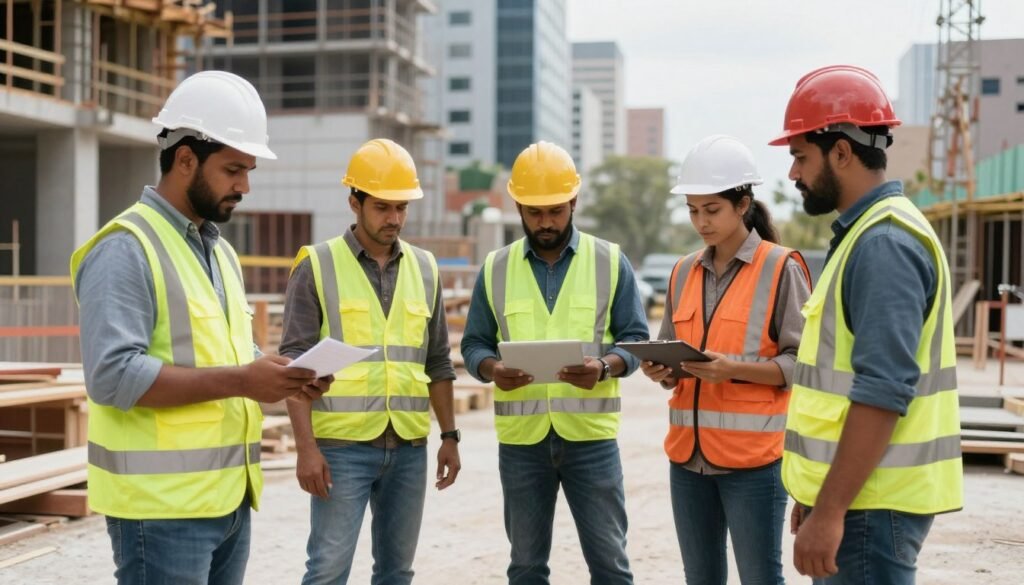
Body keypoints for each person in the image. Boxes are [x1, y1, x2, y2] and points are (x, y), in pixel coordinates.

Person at [71, 71, 330, 585]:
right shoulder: (125, 248)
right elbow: (113, 376)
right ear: (185, 159)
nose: (245, 186)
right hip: (161, 511)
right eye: (233, 169)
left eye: (249, 170)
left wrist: (286, 377)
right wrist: (242, 379)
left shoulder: (221, 252)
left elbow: (234, 353)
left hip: (228, 500)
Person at [771, 65, 963, 584]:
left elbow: (883, 391)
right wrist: (819, 497)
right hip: (860, 500)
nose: (793, 173)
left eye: (800, 156)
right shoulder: (868, 235)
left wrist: (831, 509)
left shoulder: (883, 245)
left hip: (868, 508)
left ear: (841, 151)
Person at [460, 141, 649, 585]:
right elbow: (474, 344)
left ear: (574, 202)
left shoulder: (609, 262)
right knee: (525, 568)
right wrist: (492, 370)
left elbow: (636, 340)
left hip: (591, 441)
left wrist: (604, 367)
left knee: (610, 566)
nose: (545, 223)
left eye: (556, 212)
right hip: (523, 444)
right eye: (534, 212)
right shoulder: (495, 268)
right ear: (518, 207)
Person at [280, 138, 461, 585]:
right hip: (341, 450)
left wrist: (450, 436)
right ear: (354, 202)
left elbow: (438, 361)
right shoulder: (317, 265)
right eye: (382, 207)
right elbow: (293, 368)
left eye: (402, 207)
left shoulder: (425, 268)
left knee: (397, 573)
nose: (394, 219)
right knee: (327, 571)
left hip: (408, 448)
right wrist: (306, 448)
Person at [640, 135, 812, 584]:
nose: (701, 222)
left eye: (711, 210)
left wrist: (732, 369)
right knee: (700, 578)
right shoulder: (682, 271)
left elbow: (804, 367)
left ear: (742, 204)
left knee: (759, 577)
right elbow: (670, 353)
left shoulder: (781, 268)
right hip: (687, 460)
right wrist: (660, 370)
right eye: (693, 210)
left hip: (753, 463)